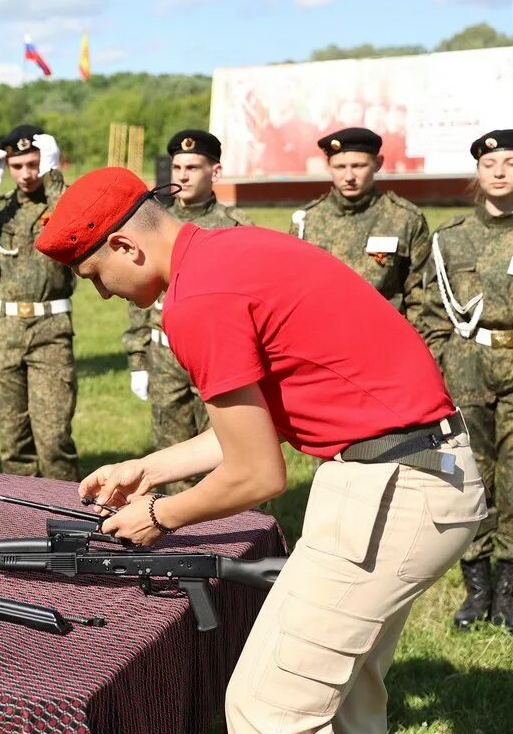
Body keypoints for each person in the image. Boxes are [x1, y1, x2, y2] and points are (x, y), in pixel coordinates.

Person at [35, 167, 485, 733]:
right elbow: (254, 428)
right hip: (415, 472)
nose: (101, 292)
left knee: (267, 708)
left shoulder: (196, 300)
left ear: (125, 245)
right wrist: (149, 468)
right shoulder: (230, 249)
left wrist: (158, 515)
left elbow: (256, 475)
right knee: (344, 696)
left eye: (95, 275)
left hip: (394, 486)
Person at [123, 130, 252, 491]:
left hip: (218, 355)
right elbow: (138, 293)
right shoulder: (152, 224)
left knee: (229, 452)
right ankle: (175, 534)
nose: (182, 175)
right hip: (166, 356)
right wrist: (138, 358)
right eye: (177, 166)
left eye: (193, 167)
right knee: (169, 454)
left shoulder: (237, 227)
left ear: (216, 171)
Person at [421, 129, 513, 632]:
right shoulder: (450, 237)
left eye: (510, 162)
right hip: (468, 367)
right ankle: (476, 588)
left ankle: (509, 591)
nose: (500, 171)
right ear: (477, 173)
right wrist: (443, 366)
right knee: (470, 476)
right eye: (490, 163)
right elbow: (433, 313)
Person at [0, 124, 79, 480]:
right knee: (14, 442)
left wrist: (54, 175)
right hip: (5, 331)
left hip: (50, 330)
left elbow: (77, 229)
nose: (26, 174)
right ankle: (21, 520)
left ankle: (69, 519)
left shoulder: (61, 203)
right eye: (17, 166)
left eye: (34, 164)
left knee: (54, 440)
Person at [290, 126, 431, 334]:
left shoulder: (405, 219)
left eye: (358, 166)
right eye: (339, 167)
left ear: (378, 164)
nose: (349, 176)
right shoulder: (306, 221)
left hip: (383, 335)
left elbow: (419, 296)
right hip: (324, 337)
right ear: (328, 166)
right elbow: (294, 292)